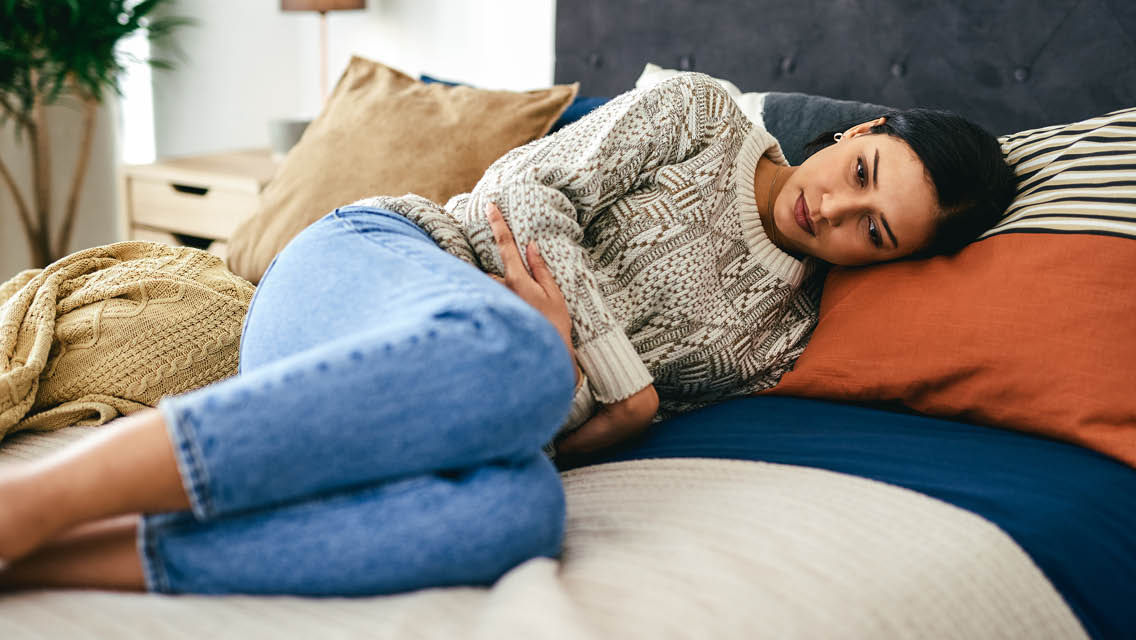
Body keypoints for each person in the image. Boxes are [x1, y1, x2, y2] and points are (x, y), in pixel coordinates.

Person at [0, 73, 1015, 595]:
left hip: (441, 410)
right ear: (859, 132)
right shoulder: (699, 117)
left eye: (871, 232)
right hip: (374, 267)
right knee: (523, 356)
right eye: (861, 176)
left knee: (520, 517)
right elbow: (521, 191)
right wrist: (609, 374)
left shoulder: (777, 339)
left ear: (887, 260)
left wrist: (611, 428)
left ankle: (51, 561)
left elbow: (549, 424)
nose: (836, 212)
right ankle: (33, 498)